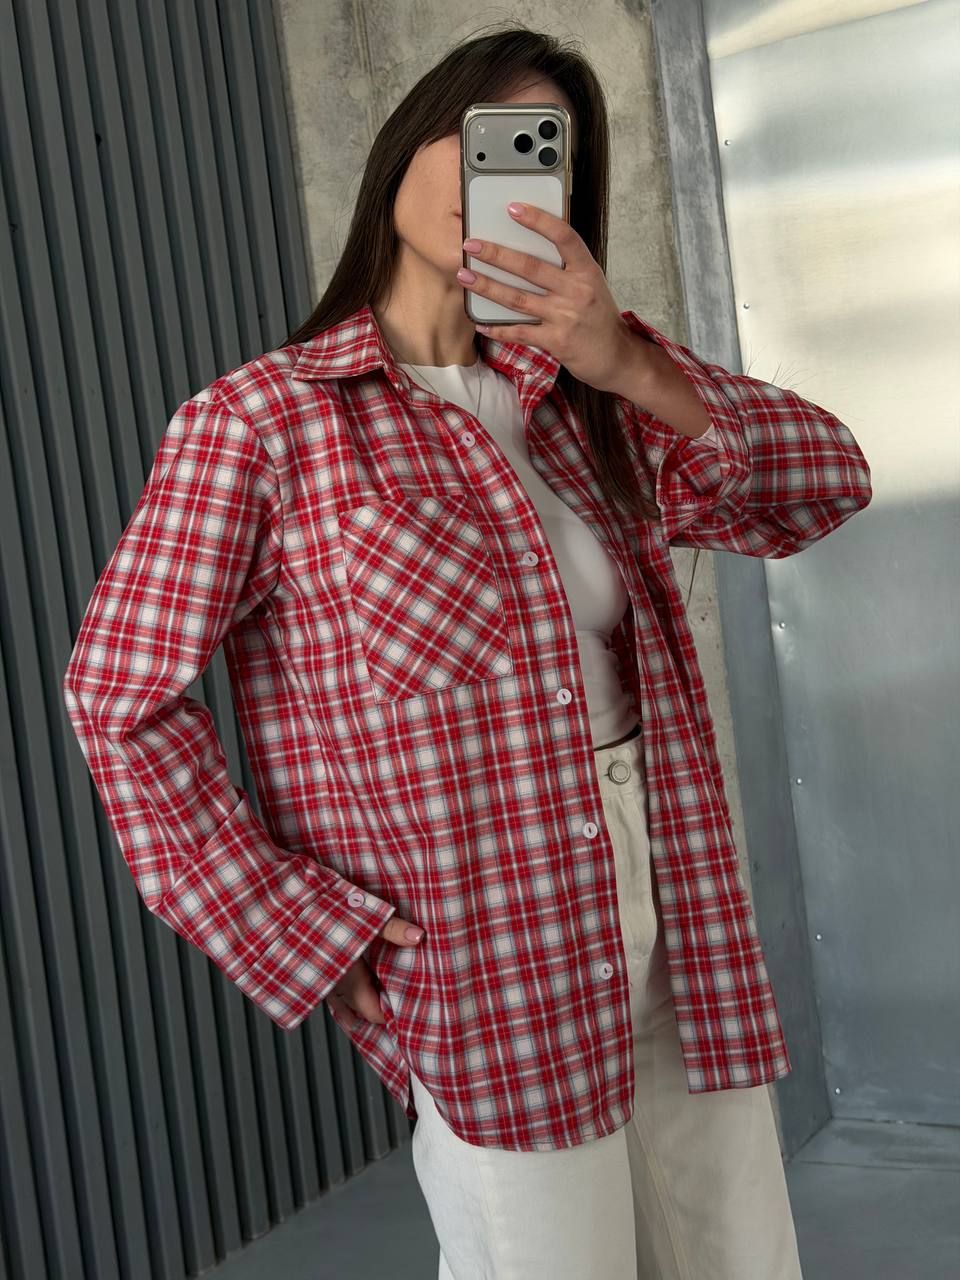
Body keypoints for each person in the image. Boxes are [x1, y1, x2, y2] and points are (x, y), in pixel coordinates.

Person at [62, 24, 871, 1280]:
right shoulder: (267, 422)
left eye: (536, 151)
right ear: (400, 153)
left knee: (741, 1256)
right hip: (489, 934)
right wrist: (296, 925)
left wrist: (626, 360)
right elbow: (118, 694)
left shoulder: (584, 399)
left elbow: (826, 484)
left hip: (674, 888)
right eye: (469, 133)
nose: (493, 171)